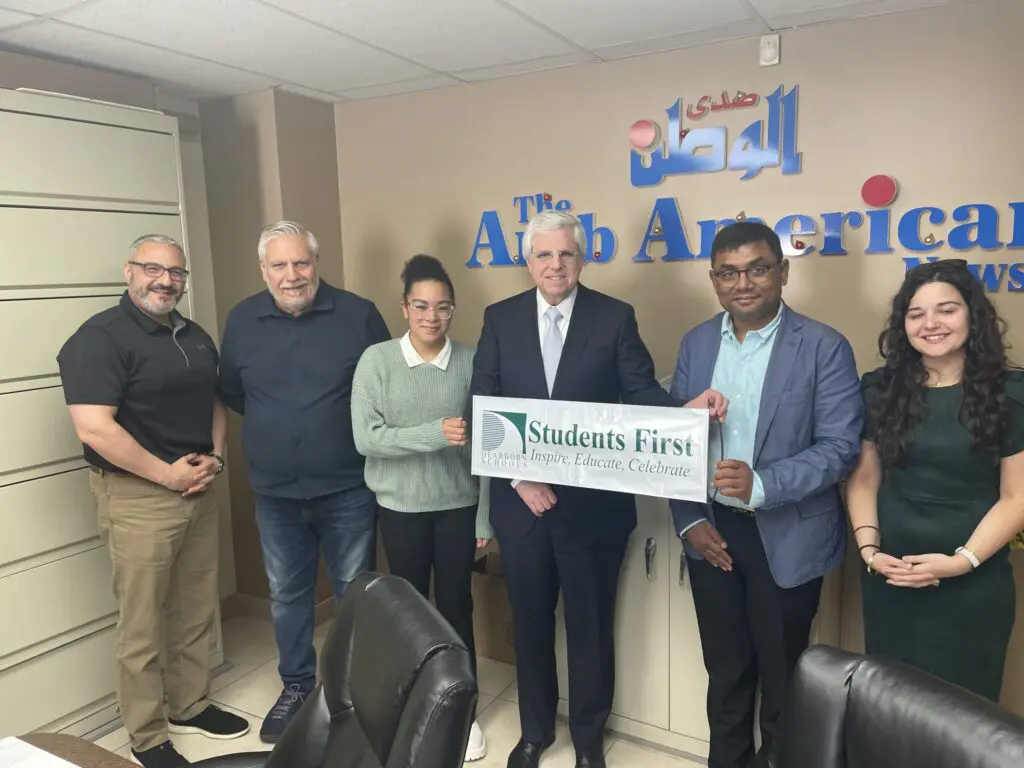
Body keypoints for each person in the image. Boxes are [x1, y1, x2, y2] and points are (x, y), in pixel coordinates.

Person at [471, 210, 726, 768]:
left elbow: (637, 394)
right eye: (544, 254)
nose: (555, 265)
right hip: (524, 508)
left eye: (566, 254)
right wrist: (520, 477)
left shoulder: (614, 317)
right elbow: (483, 404)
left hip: (595, 511)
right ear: (529, 260)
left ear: (581, 259)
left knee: (590, 630)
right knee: (531, 628)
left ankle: (588, 737)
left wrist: (681, 415)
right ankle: (534, 732)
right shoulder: (500, 318)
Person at [669, 221, 863, 768]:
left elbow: (841, 446)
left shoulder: (823, 346)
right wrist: (687, 520)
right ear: (714, 279)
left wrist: (764, 483)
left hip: (787, 533)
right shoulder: (697, 342)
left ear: (782, 271)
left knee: (783, 683)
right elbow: (672, 440)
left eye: (757, 268)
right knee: (726, 675)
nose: (743, 283)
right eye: (728, 272)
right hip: (710, 533)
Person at [56, 235, 249, 768]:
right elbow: (94, 427)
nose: (165, 281)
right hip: (138, 496)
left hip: (197, 487)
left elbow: (214, 399)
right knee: (142, 623)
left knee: (193, 608)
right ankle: (146, 735)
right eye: (153, 269)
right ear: (129, 271)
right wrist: (167, 475)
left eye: (176, 273)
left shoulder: (194, 334)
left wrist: (214, 457)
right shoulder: (99, 339)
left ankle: (189, 704)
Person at [218, 221, 390, 743]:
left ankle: (353, 693)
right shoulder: (243, 319)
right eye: (280, 265)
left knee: (354, 594)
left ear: (317, 264)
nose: (292, 276)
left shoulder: (358, 315)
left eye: (302, 263)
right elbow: (235, 393)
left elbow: (384, 389)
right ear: (263, 270)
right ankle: (296, 686)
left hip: (348, 488)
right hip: (275, 492)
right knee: (287, 596)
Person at [847, 258, 1024, 703]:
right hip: (890, 580)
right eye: (916, 313)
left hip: (972, 587)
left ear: (972, 315)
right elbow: (865, 479)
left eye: (947, 309)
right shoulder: (880, 389)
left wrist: (961, 561)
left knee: (962, 717)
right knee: (890, 710)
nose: (931, 324)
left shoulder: (1009, 393)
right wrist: (870, 553)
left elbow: (1016, 496)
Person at [351, 254, 493, 762]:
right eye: (421, 306)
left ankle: (463, 711)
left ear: (453, 310)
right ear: (404, 307)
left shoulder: (474, 361)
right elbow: (367, 439)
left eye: (443, 307)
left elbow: (489, 449)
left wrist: (483, 516)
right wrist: (433, 434)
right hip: (401, 509)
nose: (432, 317)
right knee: (409, 616)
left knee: (456, 606)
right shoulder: (378, 361)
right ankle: (412, 703)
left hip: (458, 507)